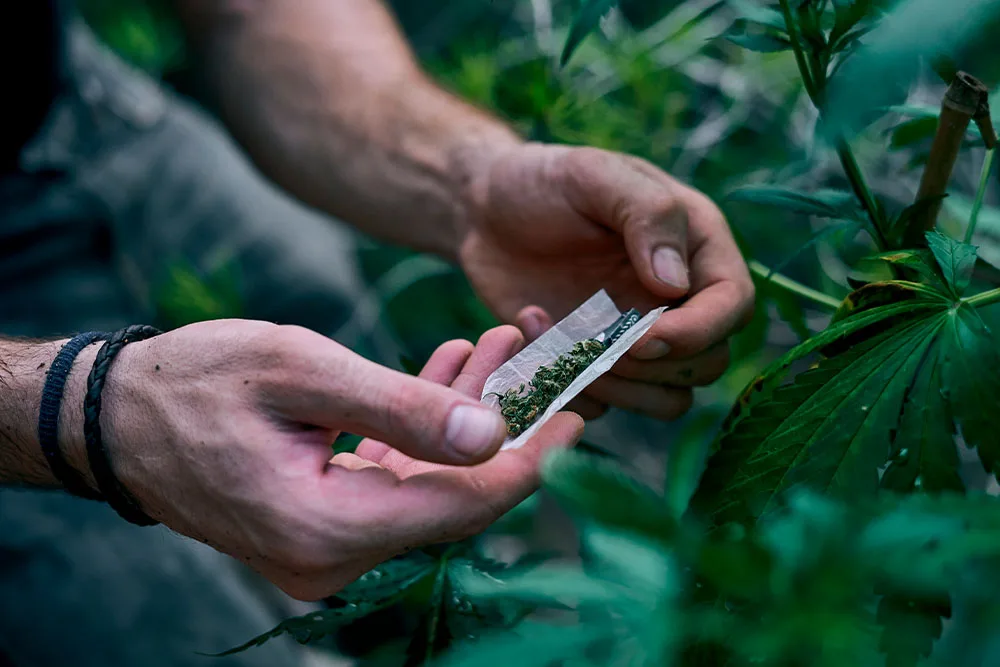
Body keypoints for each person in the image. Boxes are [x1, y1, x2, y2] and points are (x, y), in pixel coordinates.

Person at [0, 1, 754, 665]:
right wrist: (79, 409)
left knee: (312, 297)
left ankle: (418, 593)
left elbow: (250, 10)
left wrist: (474, 181)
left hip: (66, 102)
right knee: (152, 616)